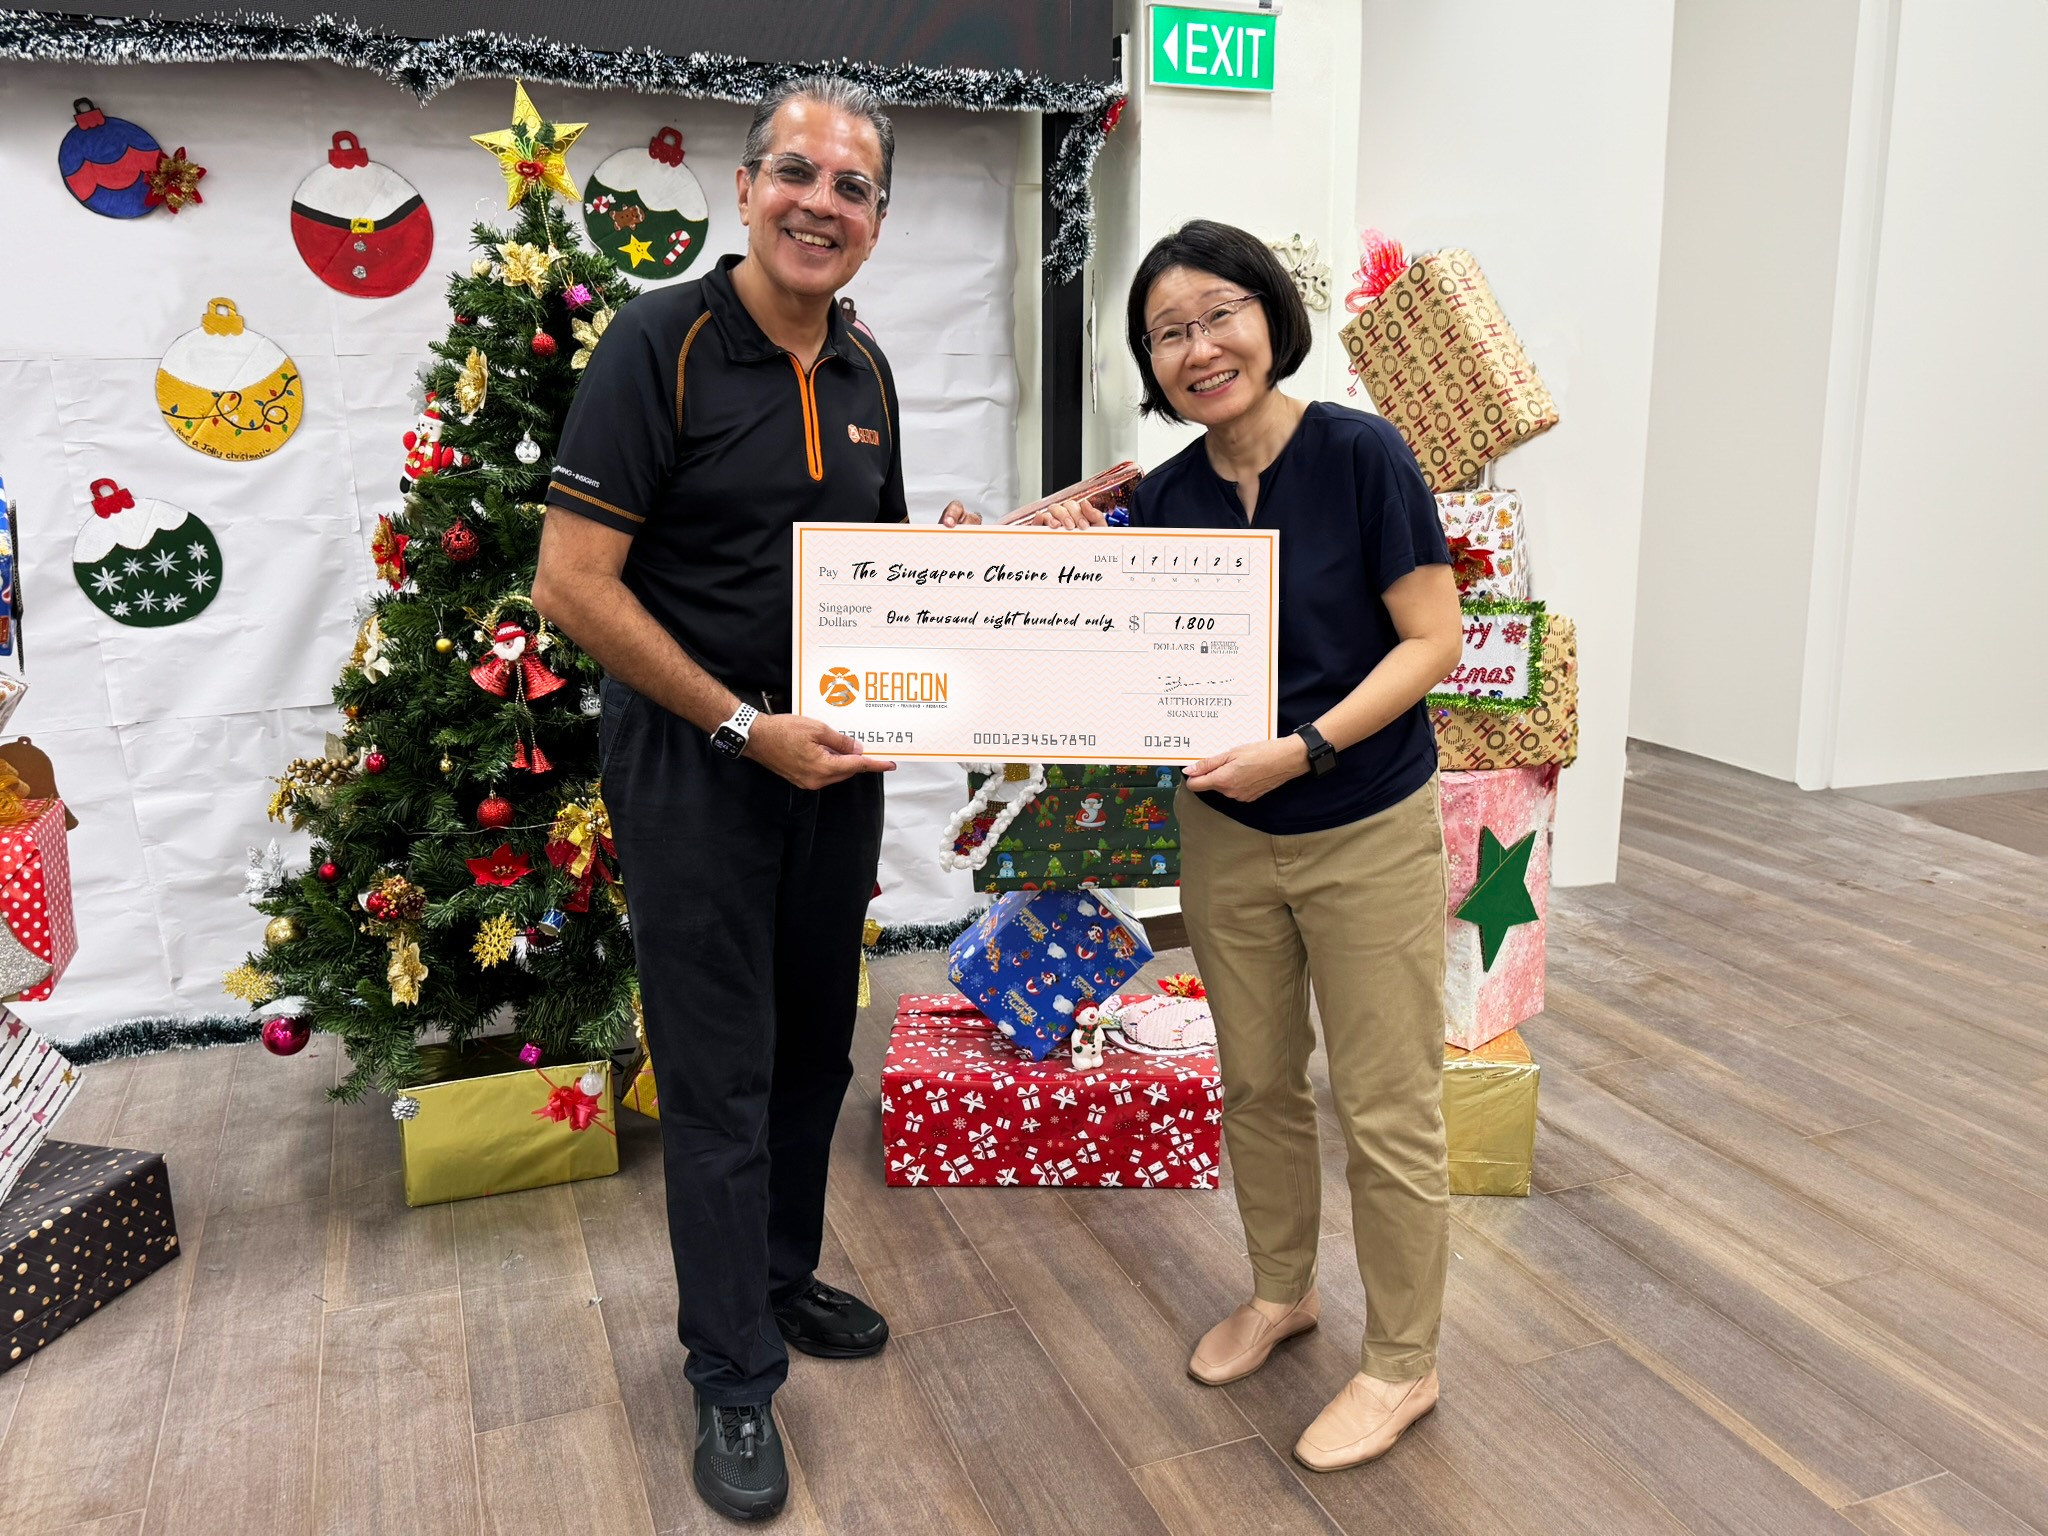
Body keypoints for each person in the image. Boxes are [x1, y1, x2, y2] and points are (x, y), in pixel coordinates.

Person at [533, 75, 966, 1523]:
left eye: (852, 187)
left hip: (829, 763)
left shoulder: (866, 369)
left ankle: (777, 1278)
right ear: (744, 186)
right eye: (796, 172)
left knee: (812, 1050)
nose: (819, 204)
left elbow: (871, 575)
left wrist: (971, 570)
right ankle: (730, 1374)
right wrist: (737, 724)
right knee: (717, 1077)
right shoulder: (658, 343)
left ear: (877, 218)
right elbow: (570, 585)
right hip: (697, 763)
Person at [1022, 219, 1462, 1471]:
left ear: (1269, 318)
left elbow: (1429, 640)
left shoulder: (1360, 454)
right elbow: (1121, 667)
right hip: (1223, 835)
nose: (1198, 347)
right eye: (1168, 332)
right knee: (1257, 1081)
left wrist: (1304, 747)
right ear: (1150, 364)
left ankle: (1402, 1362)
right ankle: (1281, 1291)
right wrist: (1055, 569)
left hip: (1362, 820)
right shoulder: (1166, 500)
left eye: (1219, 314)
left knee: (1384, 1102)